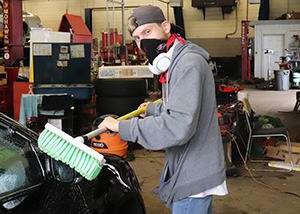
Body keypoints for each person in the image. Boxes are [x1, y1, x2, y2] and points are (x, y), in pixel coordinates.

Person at [98, 5, 227, 214]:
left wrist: (123, 127)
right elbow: (184, 109)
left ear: (166, 27)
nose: (143, 42)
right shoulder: (177, 62)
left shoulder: (188, 64)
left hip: (193, 174)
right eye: (138, 38)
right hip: (192, 167)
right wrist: (152, 110)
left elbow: (178, 126)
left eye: (147, 32)